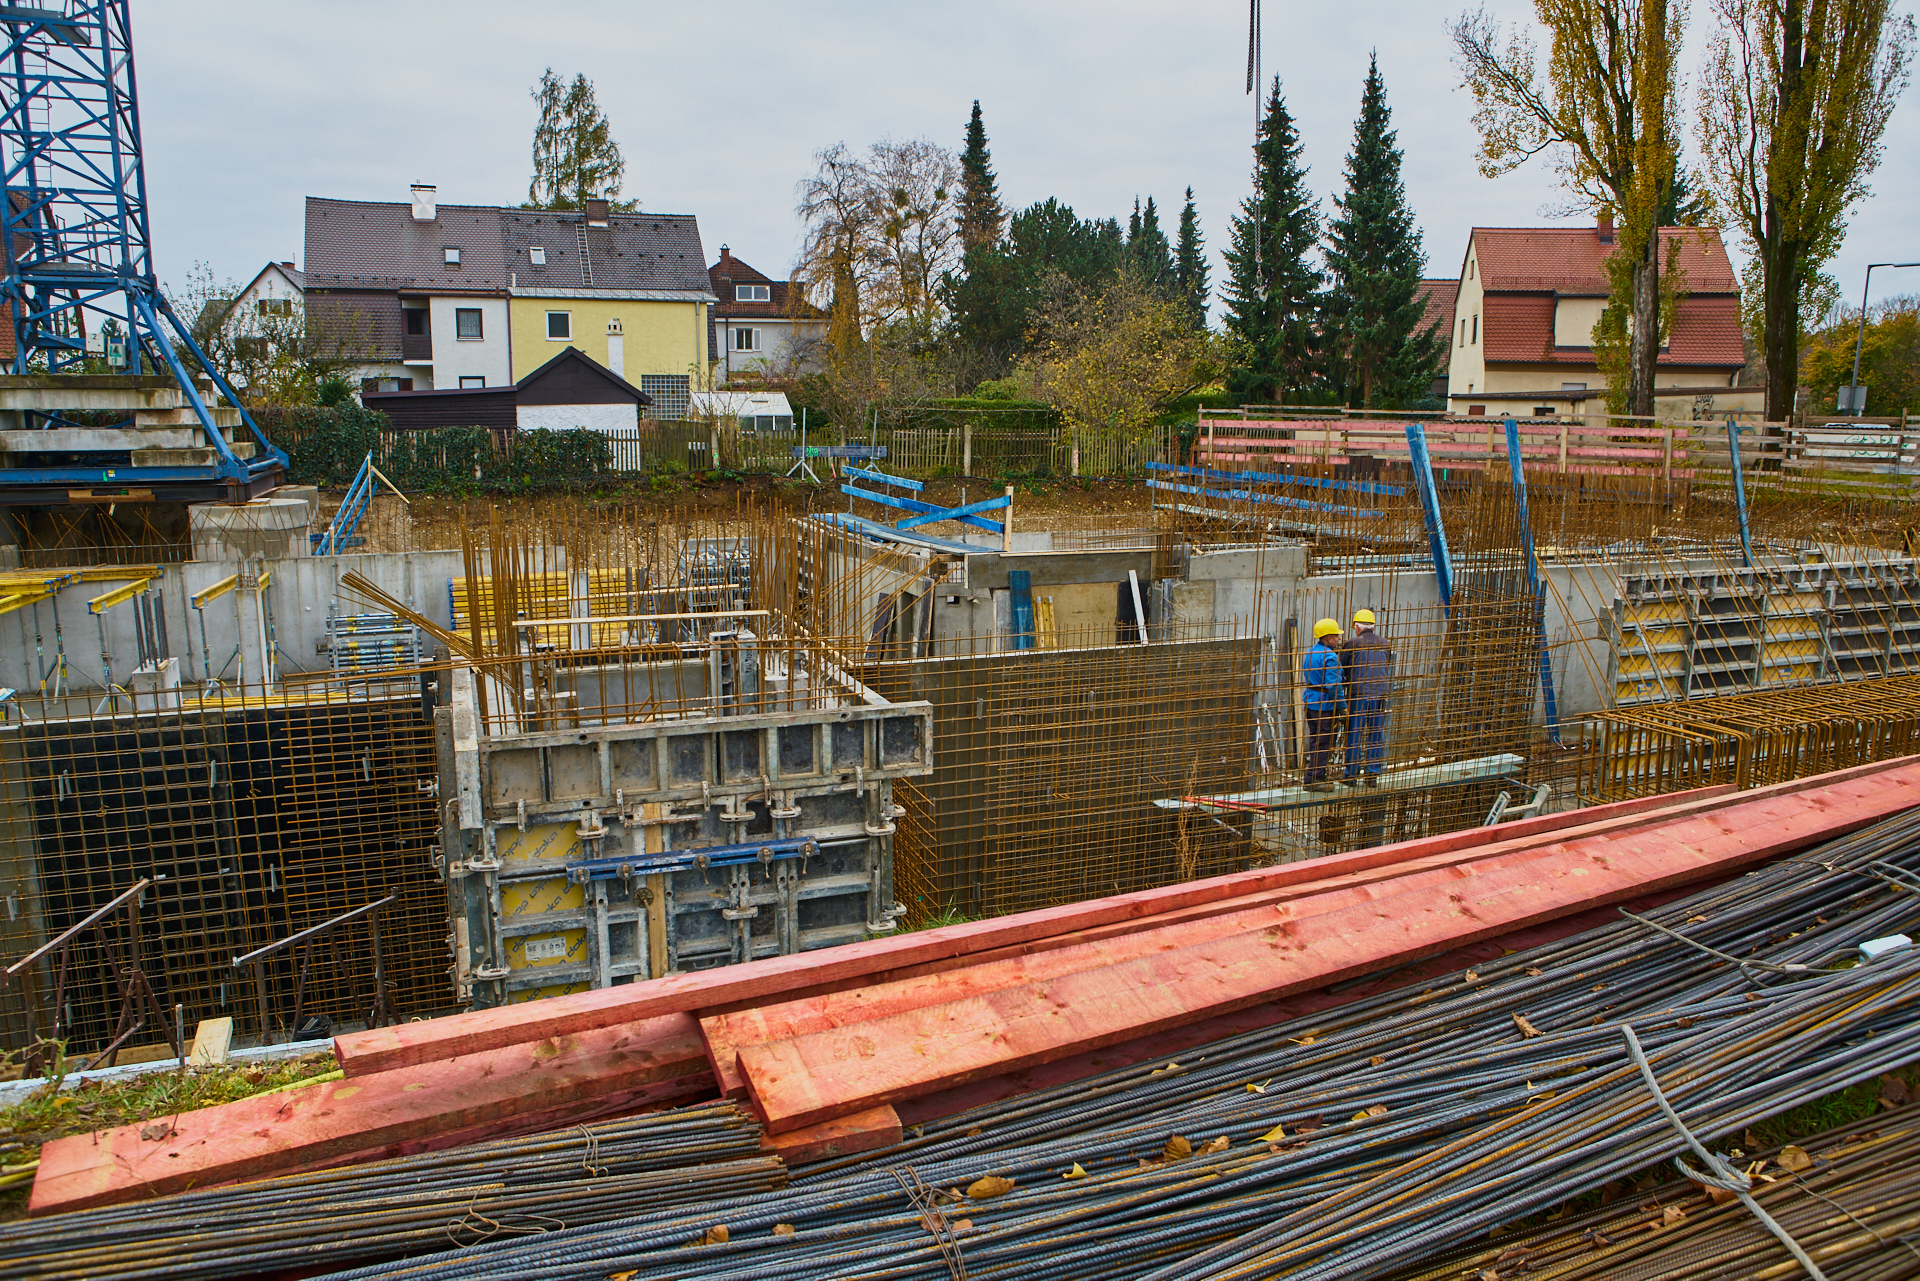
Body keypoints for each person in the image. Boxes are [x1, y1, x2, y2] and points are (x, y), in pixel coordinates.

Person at [1343, 609, 1391, 786]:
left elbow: (1342, 670)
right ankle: (1372, 775)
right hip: (1379, 694)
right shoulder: (1385, 643)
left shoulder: (1352, 643)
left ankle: (1351, 775)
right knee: (1376, 734)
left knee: (1355, 733)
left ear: (1357, 627)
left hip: (1359, 695)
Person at [1302, 618, 1343, 792]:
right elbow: (1333, 686)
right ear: (1328, 638)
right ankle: (1315, 777)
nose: (1339, 639)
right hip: (1324, 706)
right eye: (1336, 636)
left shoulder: (1311, 652)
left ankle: (1313, 775)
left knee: (1315, 740)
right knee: (1323, 741)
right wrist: (1343, 706)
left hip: (1311, 702)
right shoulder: (1330, 657)